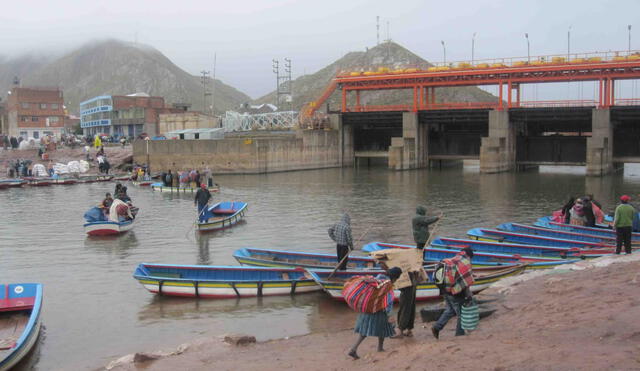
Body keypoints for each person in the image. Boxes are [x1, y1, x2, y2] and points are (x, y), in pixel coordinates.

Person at [392, 206, 440, 338]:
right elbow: (426, 220)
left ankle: (402, 330)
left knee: (405, 308)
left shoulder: (404, 274)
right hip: (413, 285)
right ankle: (409, 329)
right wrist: (436, 218)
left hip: (408, 286)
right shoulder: (417, 218)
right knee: (410, 307)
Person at [348, 267, 402, 360]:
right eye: (397, 278)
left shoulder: (378, 278)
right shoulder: (387, 285)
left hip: (368, 308)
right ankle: (380, 348)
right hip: (379, 310)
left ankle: (354, 348)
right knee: (383, 329)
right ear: (395, 277)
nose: (396, 280)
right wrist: (389, 314)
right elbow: (388, 301)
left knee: (364, 331)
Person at [432, 247, 475, 339]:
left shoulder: (452, 260)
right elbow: (465, 283)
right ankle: (460, 334)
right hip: (455, 292)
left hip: (444, 289)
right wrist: (469, 296)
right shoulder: (465, 263)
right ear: (469, 256)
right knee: (461, 314)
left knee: (450, 310)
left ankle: (436, 327)